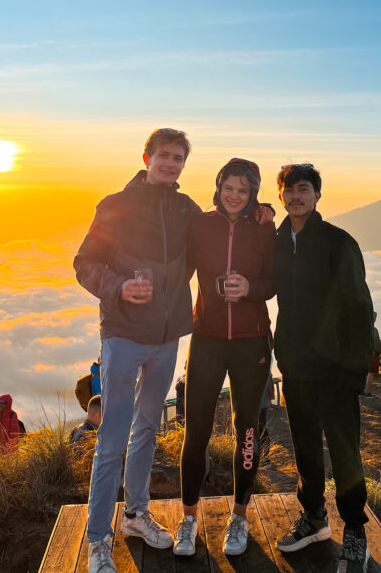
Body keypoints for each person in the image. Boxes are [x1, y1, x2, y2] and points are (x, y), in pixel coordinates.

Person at [74, 128, 200, 573]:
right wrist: (119, 286)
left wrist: (258, 218)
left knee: (147, 428)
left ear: (185, 164)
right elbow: (84, 264)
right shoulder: (116, 206)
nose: (170, 164)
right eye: (164, 156)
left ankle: (134, 515)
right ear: (146, 156)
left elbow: (220, 242)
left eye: (179, 158)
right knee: (111, 439)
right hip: (124, 336)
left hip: (167, 339)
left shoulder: (187, 210)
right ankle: (97, 540)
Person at [273, 164, 374, 573]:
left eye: (304, 189)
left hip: (334, 372)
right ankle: (314, 517)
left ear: (316, 195)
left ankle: (354, 530)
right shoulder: (277, 241)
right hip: (295, 369)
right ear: (280, 196)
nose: (296, 196)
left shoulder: (338, 242)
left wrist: (354, 370)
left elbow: (359, 308)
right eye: (289, 190)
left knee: (345, 452)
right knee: (306, 450)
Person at [174, 158, 276, 557]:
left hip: (251, 341)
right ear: (218, 188)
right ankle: (188, 519)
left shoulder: (265, 229)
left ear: (254, 194)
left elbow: (274, 282)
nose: (234, 195)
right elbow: (177, 268)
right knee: (195, 430)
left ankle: (239, 516)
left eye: (244, 190)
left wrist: (249, 288)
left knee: (247, 428)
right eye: (228, 187)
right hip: (208, 339)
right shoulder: (200, 224)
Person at [362, 313, 381, 397]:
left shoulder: (362, 328)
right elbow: (377, 344)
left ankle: (362, 390)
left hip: (363, 354)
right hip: (372, 354)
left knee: (364, 373)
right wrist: (378, 351)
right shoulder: (374, 330)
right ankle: (367, 392)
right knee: (370, 373)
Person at [259, 371, 275, 464]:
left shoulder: (264, 373)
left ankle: (265, 459)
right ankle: (265, 458)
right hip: (262, 404)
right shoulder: (267, 372)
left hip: (259, 405)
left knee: (261, 430)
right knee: (261, 429)